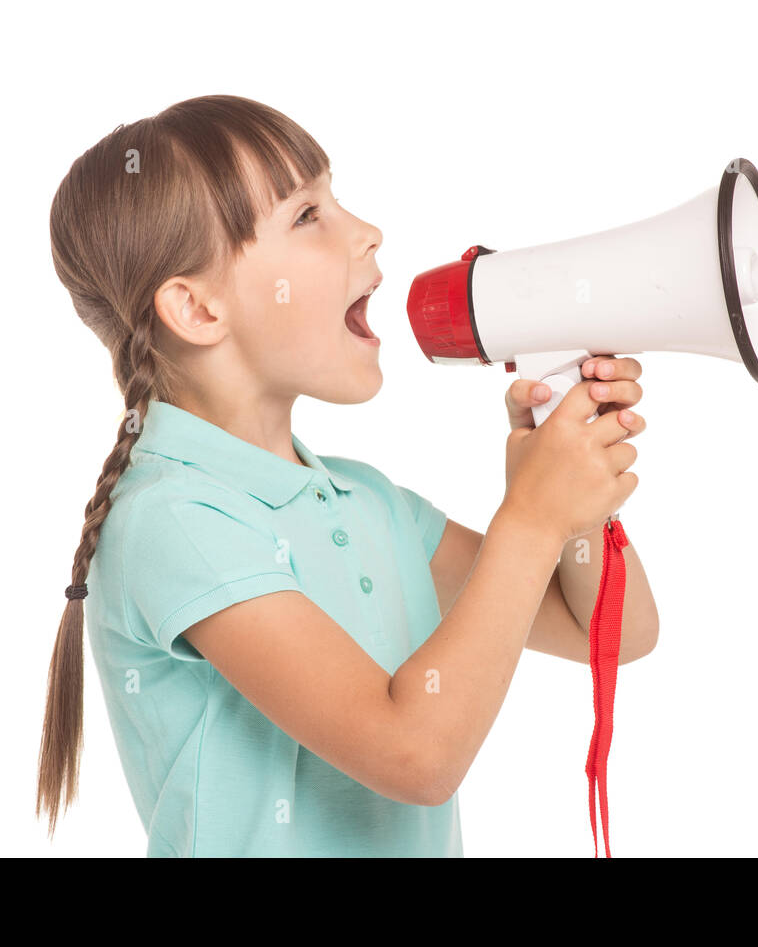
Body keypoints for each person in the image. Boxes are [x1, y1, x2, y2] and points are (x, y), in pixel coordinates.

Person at [36, 94, 658, 856]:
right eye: (307, 216)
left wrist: (572, 494)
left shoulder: (367, 503)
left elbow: (615, 633)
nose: (367, 232)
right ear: (197, 309)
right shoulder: (173, 520)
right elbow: (415, 754)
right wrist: (529, 519)